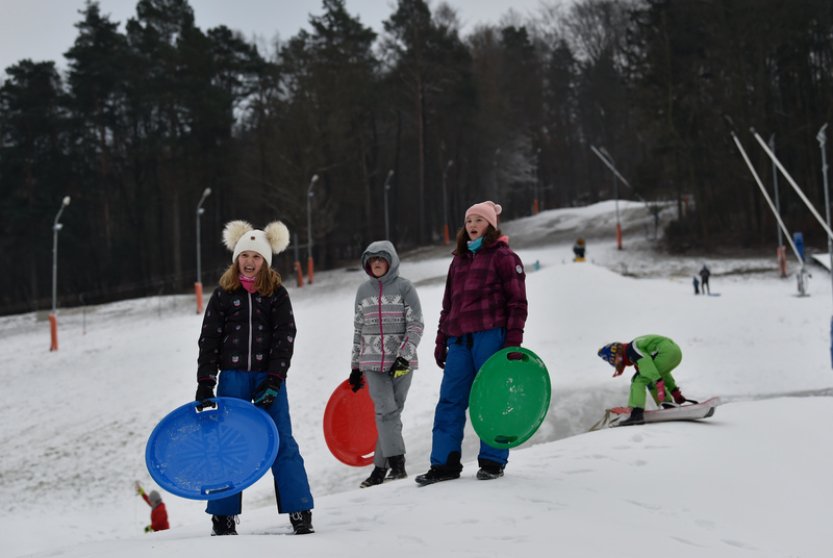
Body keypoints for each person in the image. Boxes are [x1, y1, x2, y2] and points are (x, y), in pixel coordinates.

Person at [195, 220, 314, 536]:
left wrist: (275, 378)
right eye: (244, 255)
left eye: (256, 256)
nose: (249, 261)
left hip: (268, 379)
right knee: (227, 445)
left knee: (281, 442)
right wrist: (206, 381)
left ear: (266, 261)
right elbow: (209, 339)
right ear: (236, 259)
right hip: (232, 379)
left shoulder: (276, 294)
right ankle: (223, 515)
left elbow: (285, 335)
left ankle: (299, 508)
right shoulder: (224, 295)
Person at [416, 201, 528, 485]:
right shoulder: (459, 260)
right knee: (450, 401)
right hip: (459, 341)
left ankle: (492, 460)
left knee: (491, 397)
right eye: (469, 221)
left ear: (490, 225)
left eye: (479, 220)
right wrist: (442, 341)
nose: (473, 225)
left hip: (491, 336)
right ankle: (444, 463)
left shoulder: (504, 257)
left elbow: (517, 303)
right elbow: (448, 306)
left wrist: (512, 342)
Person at [348, 240, 424, 488]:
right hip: (371, 362)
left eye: (381, 259)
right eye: (372, 260)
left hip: (401, 362)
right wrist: (355, 366)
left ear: (391, 261)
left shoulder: (405, 288)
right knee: (385, 412)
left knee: (391, 414)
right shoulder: (363, 291)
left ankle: (380, 470)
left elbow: (416, 325)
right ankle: (398, 464)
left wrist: (404, 355)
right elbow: (359, 330)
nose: (377, 263)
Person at [597, 334, 695, 426]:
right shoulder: (634, 348)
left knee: (638, 380)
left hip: (665, 352)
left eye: (614, 361)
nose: (617, 364)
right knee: (649, 377)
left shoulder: (632, 349)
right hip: (675, 352)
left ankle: (636, 413)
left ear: (617, 354)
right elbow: (660, 373)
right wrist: (675, 392)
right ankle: (668, 405)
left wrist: (658, 382)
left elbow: (646, 362)